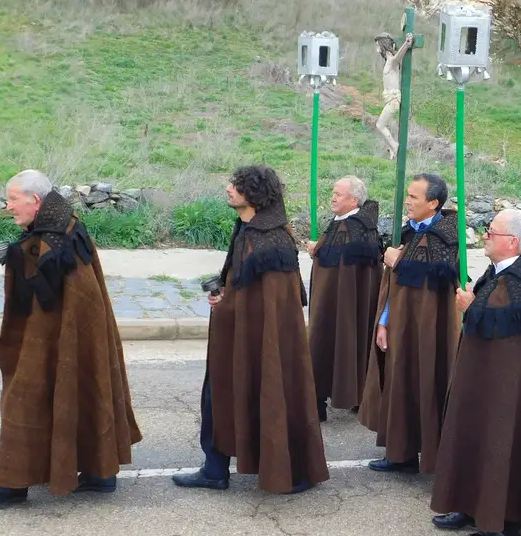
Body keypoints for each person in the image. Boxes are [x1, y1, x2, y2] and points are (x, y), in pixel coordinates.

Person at [0, 170, 142, 507]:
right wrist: (19, 253)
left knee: (25, 394)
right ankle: (99, 473)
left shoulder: (53, 238)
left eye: (13, 199)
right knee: (85, 383)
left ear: (34, 200)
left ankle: (11, 485)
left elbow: (45, 294)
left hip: (49, 336)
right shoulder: (64, 224)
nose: (9, 206)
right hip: (71, 333)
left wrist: (20, 256)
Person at [172, 165, 329, 493]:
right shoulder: (248, 230)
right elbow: (246, 287)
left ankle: (288, 470)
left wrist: (230, 304)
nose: (229, 188)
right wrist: (227, 298)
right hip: (236, 335)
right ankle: (214, 469)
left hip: (261, 342)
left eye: (237, 185)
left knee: (267, 395)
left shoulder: (269, 239)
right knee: (217, 396)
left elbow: (273, 302)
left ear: (254, 194)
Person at [430, 210, 521, 536]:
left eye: (491, 231)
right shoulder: (504, 271)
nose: (485, 235)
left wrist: (473, 307)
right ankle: (469, 506)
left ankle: (500, 521)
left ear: (511, 242)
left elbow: (513, 336)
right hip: (482, 384)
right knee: (472, 439)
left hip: (507, 393)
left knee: (500, 445)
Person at [358, 173, 461, 474]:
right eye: (407, 195)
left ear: (433, 203)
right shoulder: (408, 232)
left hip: (430, 329)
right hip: (401, 324)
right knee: (400, 384)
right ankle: (400, 454)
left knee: (429, 383)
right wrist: (384, 322)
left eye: (414, 197)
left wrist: (397, 261)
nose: (407, 201)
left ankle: (432, 454)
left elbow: (438, 274)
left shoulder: (448, 236)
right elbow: (397, 285)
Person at [306, 176, 383, 421]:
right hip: (337, 301)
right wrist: (318, 249)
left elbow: (343, 269)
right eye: (333, 192)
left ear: (354, 200)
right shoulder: (349, 223)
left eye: (338, 194)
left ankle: (323, 399)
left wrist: (320, 251)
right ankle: (353, 395)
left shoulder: (352, 227)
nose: (333, 197)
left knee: (327, 341)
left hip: (340, 304)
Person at [373, 32, 414, 160]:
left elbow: (398, 57)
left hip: (393, 100)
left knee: (380, 125)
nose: (376, 48)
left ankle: (395, 146)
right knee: (381, 125)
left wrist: (406, 44)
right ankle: (391, 147)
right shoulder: (387, 62)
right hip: (389, 100)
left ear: (383, 45)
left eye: (378, 45)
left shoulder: (391, 61)